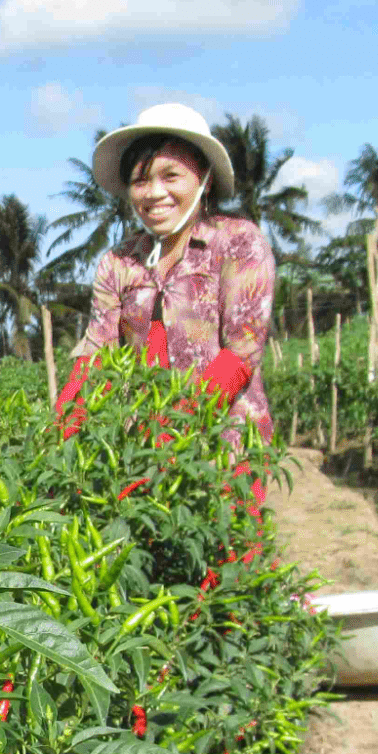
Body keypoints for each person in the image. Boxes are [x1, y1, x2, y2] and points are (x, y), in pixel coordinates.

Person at [52, 103, 275, 538]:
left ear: (203, 179)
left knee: (223, 571)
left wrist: (180, 427)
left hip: (225, 444)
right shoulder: (119, 262)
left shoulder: (236, 243)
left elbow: (244, 345)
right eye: (140, 180)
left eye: (171, 176)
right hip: (143, 455)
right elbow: (96, 350)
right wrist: (59, 429)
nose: (154, 193)